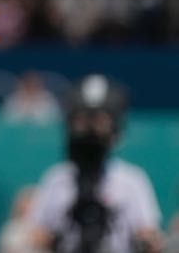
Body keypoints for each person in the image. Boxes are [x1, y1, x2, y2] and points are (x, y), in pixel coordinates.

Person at [28, 74, 162, 252]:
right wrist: (55, 236)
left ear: (115, 130)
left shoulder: (132, 180)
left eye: (99, 122)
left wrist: (143, 241)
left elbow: (149, 233)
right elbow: (36, 232)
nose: (90, 131)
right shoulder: (57, 178)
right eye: (83, 122)